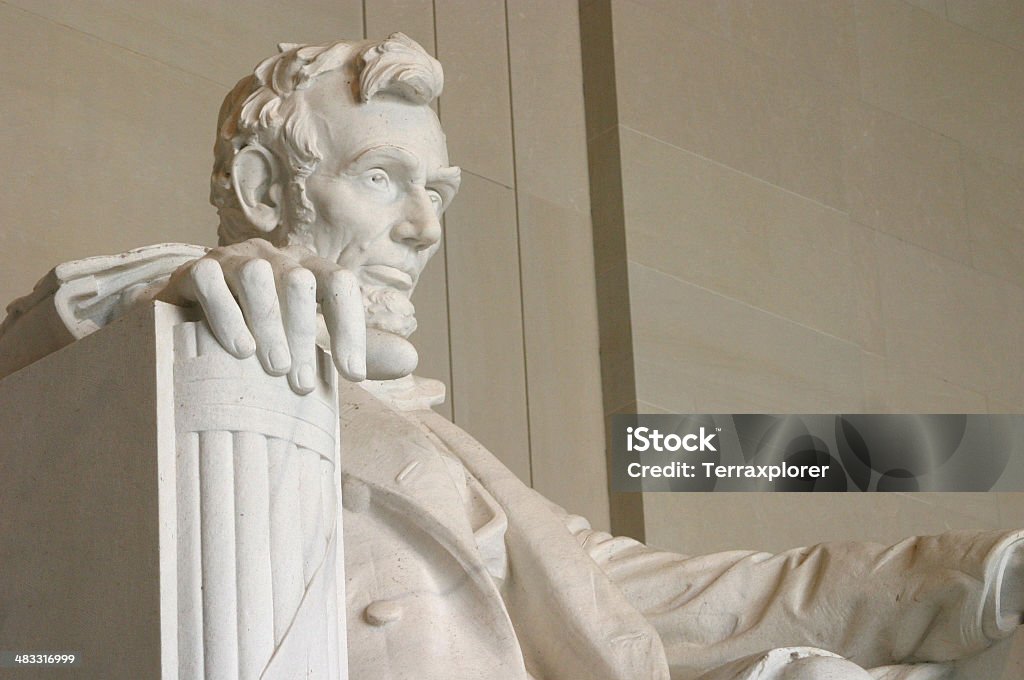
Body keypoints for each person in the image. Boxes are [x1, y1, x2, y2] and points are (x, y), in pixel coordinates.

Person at [0, 34, 1021, 680]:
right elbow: (31, 368)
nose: (423, 229)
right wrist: (166, 286)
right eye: (380, 180)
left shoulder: (456, 463)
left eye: (435, 194)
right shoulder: (171, 315)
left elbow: (715, 595)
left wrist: (984, 573)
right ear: (268, 191)